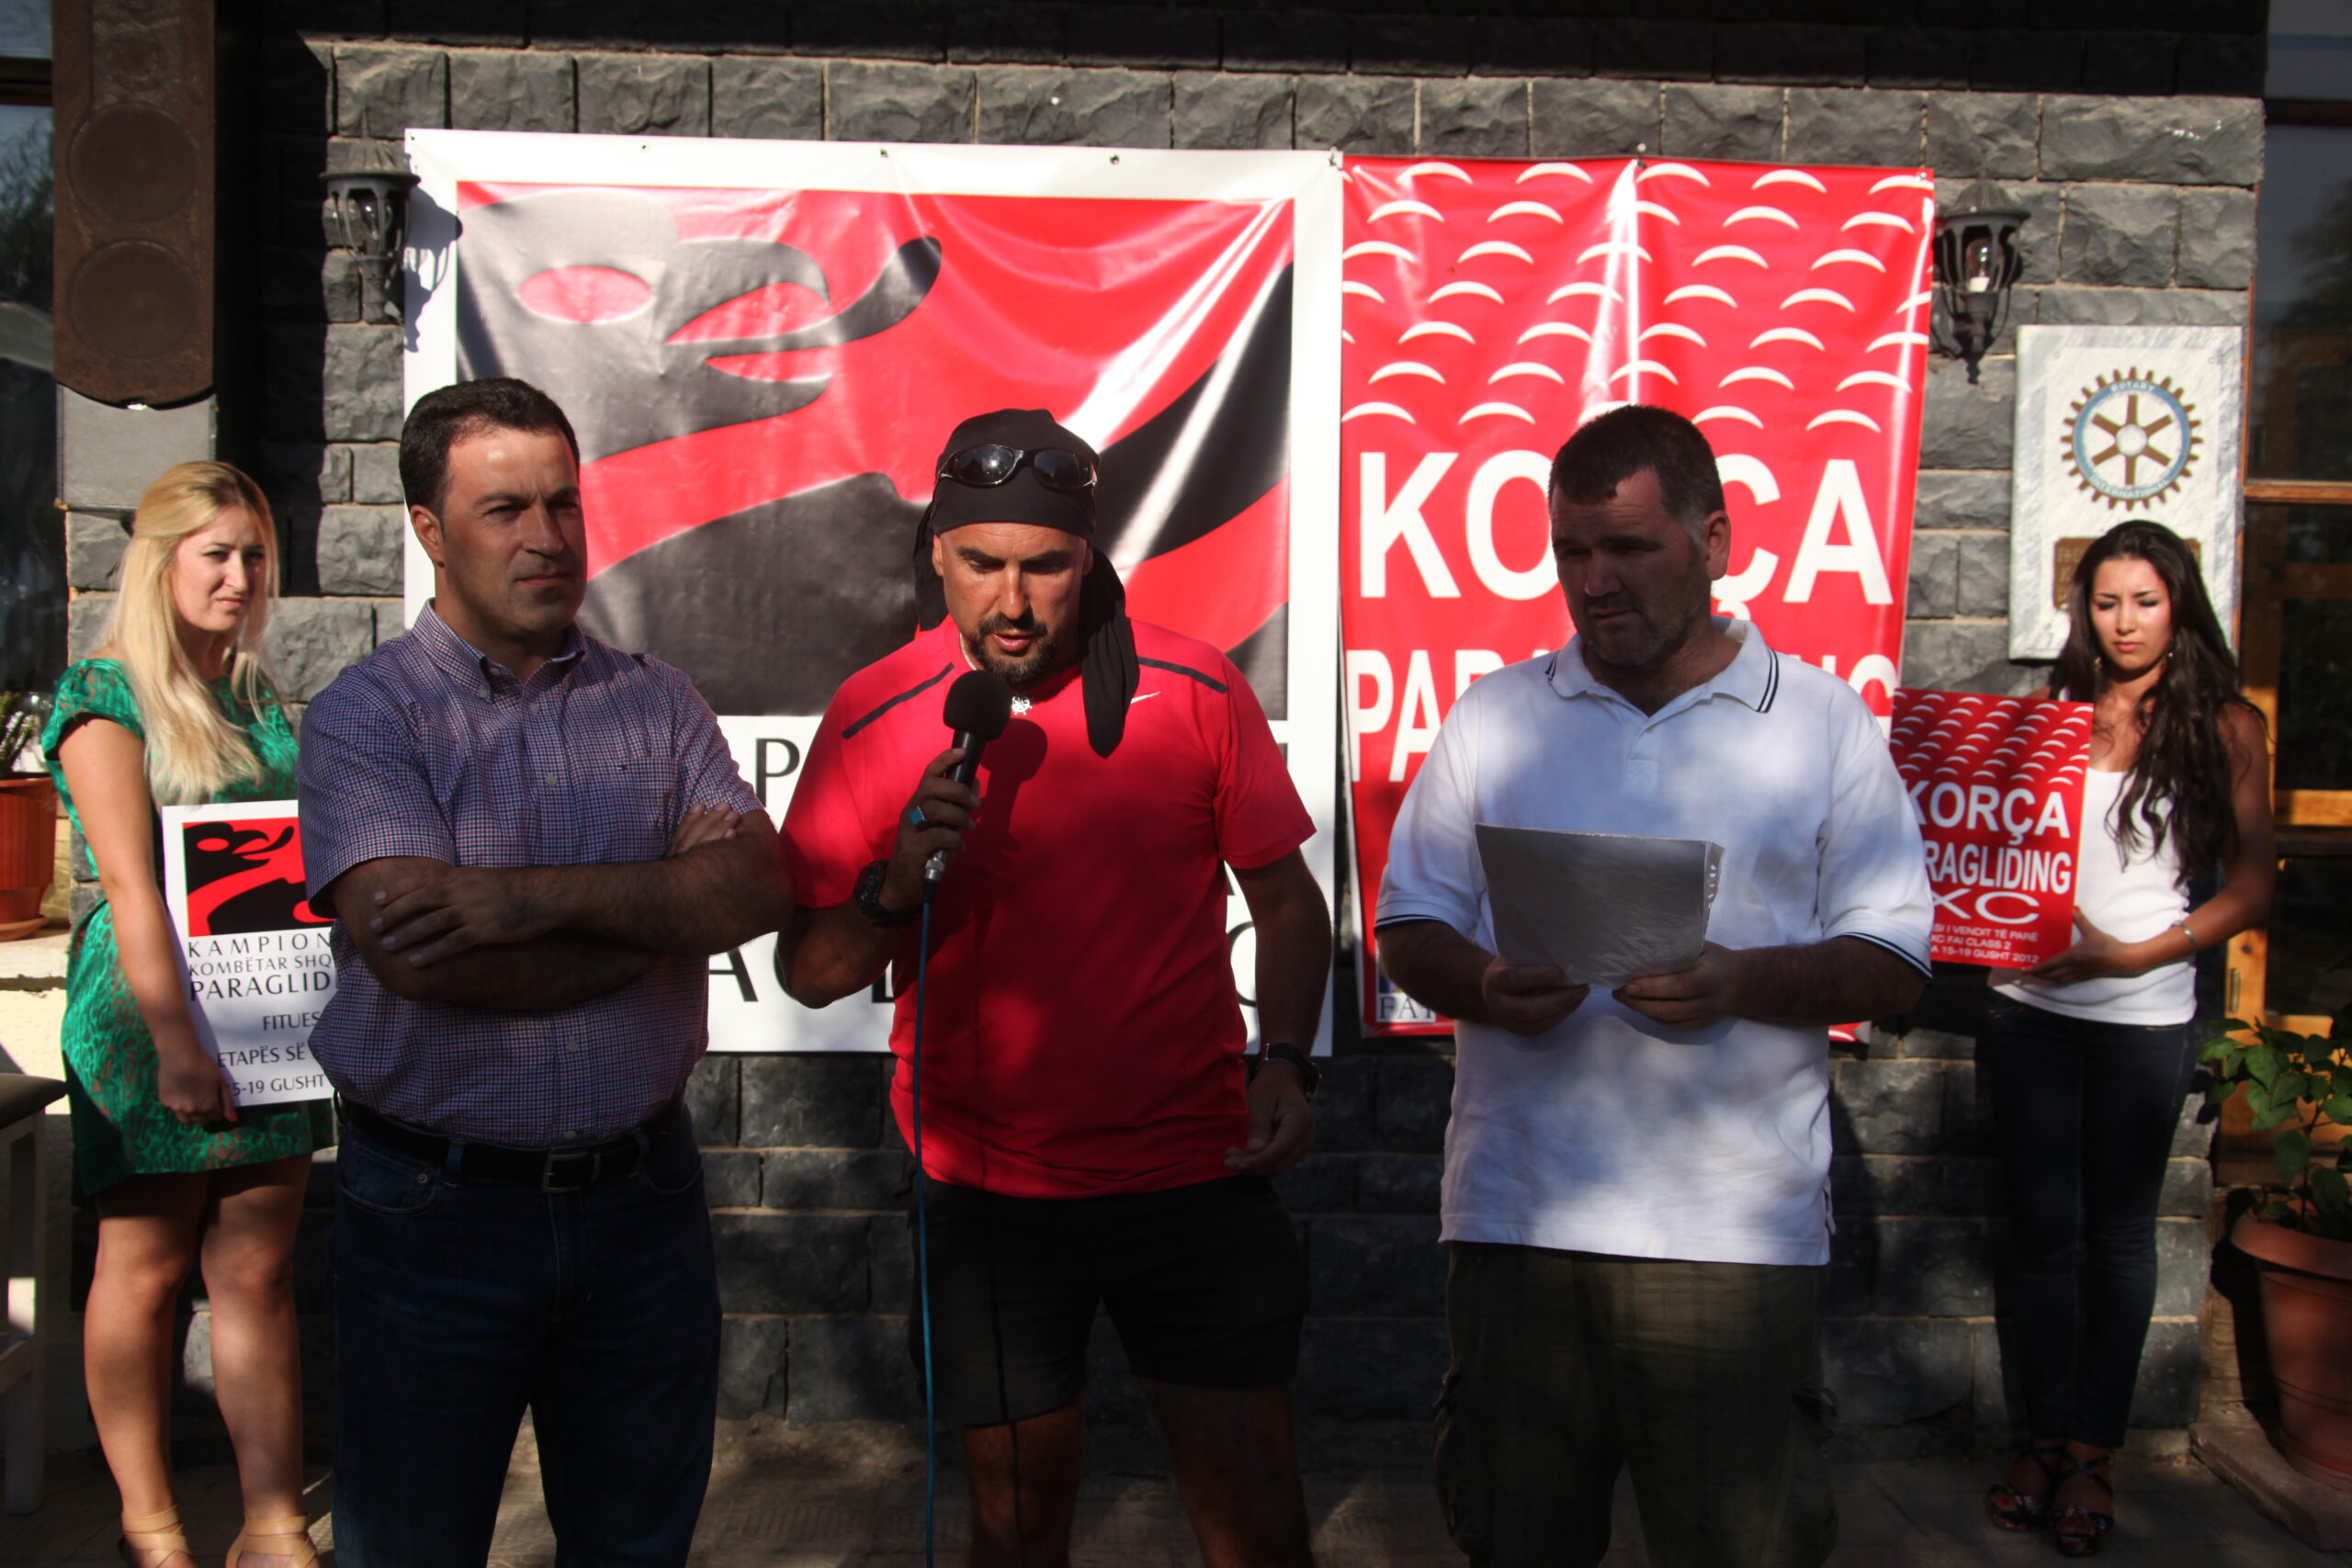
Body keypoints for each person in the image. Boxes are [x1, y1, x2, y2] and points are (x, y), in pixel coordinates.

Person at [1374, 405, 1934, 1568]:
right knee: (1516, 1543)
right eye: (1571, 550)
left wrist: (1742, 979)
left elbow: (1892, 959)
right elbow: (1408, 928)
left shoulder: (1821, 723)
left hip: (1728, 1236)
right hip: (1521, 1223)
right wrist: (1484, 980)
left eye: (1628, 546)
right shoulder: (1495, 715)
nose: (1594, 581)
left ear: (1714, 540)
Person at [777, 409, 1333, 1568]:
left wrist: (1283, 1060)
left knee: (1258, 1522)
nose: (1014, 602)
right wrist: (894, 886)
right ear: (937, 552)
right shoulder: (874, 713)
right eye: (983, 564)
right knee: (1015, 1531)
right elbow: (811, 974)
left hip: (1195, 1174)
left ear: (1089, 556)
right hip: (986, 1195)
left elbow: (1287, 902)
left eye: (1044, 565)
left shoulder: (1195, 689)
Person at [296, 378, 790, 1566]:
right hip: (435, 1215)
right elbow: (426, 961)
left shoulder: (656, 702)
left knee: (635, 1547)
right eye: (505, 509)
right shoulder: (368, 718)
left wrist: (515, 899)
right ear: (429, 529)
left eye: (563, 504)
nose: (547, 537)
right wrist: (665, 908)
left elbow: (757, 886)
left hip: (641, 1206)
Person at [44, 462, 332, 1568]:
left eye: (254, 555)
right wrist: (175, 1046)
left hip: (264, 1001)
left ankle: (273, 1524)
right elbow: (128, 885)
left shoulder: (253, 695)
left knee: (258, 1270)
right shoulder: (104, 692)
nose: (239, 576)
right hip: (146, 1011)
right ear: (161, 562)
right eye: (216, 554)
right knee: (147, 1266)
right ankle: (150, 1528)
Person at [1979, 521, 2273, 1557]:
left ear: (2179, 603)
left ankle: (2092, 1452)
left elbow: (2253, 886)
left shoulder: (2226, 725)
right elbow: (1983, 842)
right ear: (2084, 611)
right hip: (2027, 1011)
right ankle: (2041, 1437)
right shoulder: (2047, 714)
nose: (2125, 622)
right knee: (2039, 1234)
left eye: (2145, 600)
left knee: (2116, 1237)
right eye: (2106, 602)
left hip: (2141, 1017)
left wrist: (2133, 955)